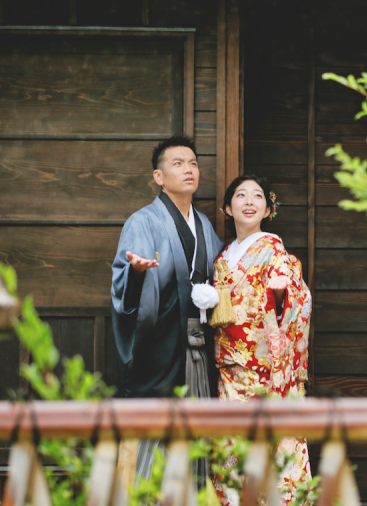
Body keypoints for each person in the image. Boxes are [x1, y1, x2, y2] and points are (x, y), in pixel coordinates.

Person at [110, 134, 224, 482]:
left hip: (199, 348)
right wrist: (136, 274)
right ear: (159, 177)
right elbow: (124, 292)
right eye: (178, 163)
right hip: (160, 348)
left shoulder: (204, 225)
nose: (188, 170)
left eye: (193, 163)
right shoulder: (143, 222)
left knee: (197, 437)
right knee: (153, 437)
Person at [213, 174, 312, 505]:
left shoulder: (272, 246)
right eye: (240, 196)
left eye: (257, 196)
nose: (249, 201)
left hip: (263, 365)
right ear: (228, 208)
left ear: (268, 208)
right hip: (228, 366)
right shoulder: (224, 256)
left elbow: (294, 299)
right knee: (232, 446)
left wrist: (284, 294)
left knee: (266, 446)